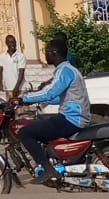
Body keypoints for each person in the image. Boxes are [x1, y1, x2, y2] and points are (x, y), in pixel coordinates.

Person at [14, 39, 91, 183]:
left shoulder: (65, 71)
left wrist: (23, 99)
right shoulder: (69, 69)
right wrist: (38, 100)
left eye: (46, 52)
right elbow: (59, 97)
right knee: (41, 125)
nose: (45, 55)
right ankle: (54, 160)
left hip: (71, 119)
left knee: (25, 133)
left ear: (54, 53)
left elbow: (50, 92)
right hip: (75, 116)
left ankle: (48, 170)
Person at [0, 34, 27, 99]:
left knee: (20, 105)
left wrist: (16, 87)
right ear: (6, 43)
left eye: (14, 42)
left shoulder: (20, 56)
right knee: (10, 104)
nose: (13, 44)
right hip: (8, 87)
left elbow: (21, 72)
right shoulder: (2, 56)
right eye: (10, 42)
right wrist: (1, 84)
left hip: (20, 88)